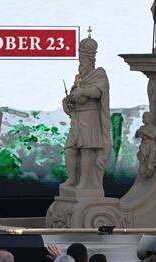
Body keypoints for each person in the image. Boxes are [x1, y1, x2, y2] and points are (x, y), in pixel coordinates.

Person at [60, 30, 111, 191]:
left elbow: (98, 91)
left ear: (90, 60)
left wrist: (82, 93)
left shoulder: (99, 74)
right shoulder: (78, 78)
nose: (80, 64)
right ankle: (72, 179)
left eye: (83, 60)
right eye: (80, 60)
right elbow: (73, 95)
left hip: (90, 118)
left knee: (87, 151)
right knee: (70, 150)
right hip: (77, 118)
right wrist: (67, 102)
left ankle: (84, 183)